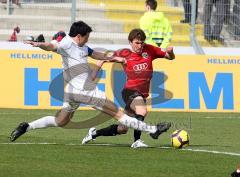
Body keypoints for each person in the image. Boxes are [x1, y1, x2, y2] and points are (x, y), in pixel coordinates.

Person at [9, 21, 171, 142]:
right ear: (79, 36)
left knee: (61, 121)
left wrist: (116, 58)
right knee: (119, 114)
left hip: (72, 92)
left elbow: (96, 55)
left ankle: (27, 126)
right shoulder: (66, 43)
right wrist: (38, 44)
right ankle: (153, 129)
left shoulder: (83, 47)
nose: (88, 40)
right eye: (86, 37)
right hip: (86, 91)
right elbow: (50, 46)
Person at [82, 28, 175, 148]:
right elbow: (103, 58)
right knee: (142, 110)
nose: (140, 45)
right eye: (137, 43)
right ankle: (137, 141)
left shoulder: (150, 49)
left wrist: (171, 52)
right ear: (130, 42)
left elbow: (169, 56)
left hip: (141, 94)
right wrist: (94, 74)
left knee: (122, 128)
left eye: (142, 43)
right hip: (129, 91)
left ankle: (94, 133)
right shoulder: (124, 53)